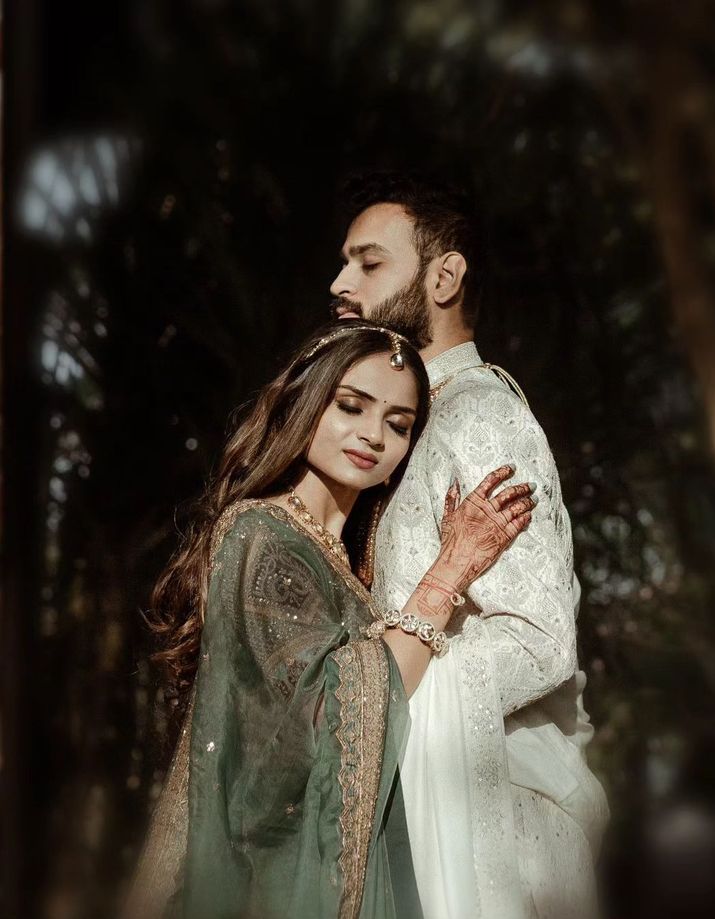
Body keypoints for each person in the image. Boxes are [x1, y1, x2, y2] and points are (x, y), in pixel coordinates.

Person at [122, 320, 537, 919]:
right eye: (351, 407)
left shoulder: (343, 563)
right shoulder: (258, 532)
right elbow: (319, 712)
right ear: (305, 405)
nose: (373, 435)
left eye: (398, 425)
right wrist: (449, 574)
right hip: (266, 878)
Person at [330, 172, 610, 919]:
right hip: (419, 818)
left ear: (445, 275)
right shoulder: (412, 426)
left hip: (501, 834)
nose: (339, 282)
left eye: (368, 261)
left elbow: (542, 640)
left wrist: (372, 696)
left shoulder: (482, 413)